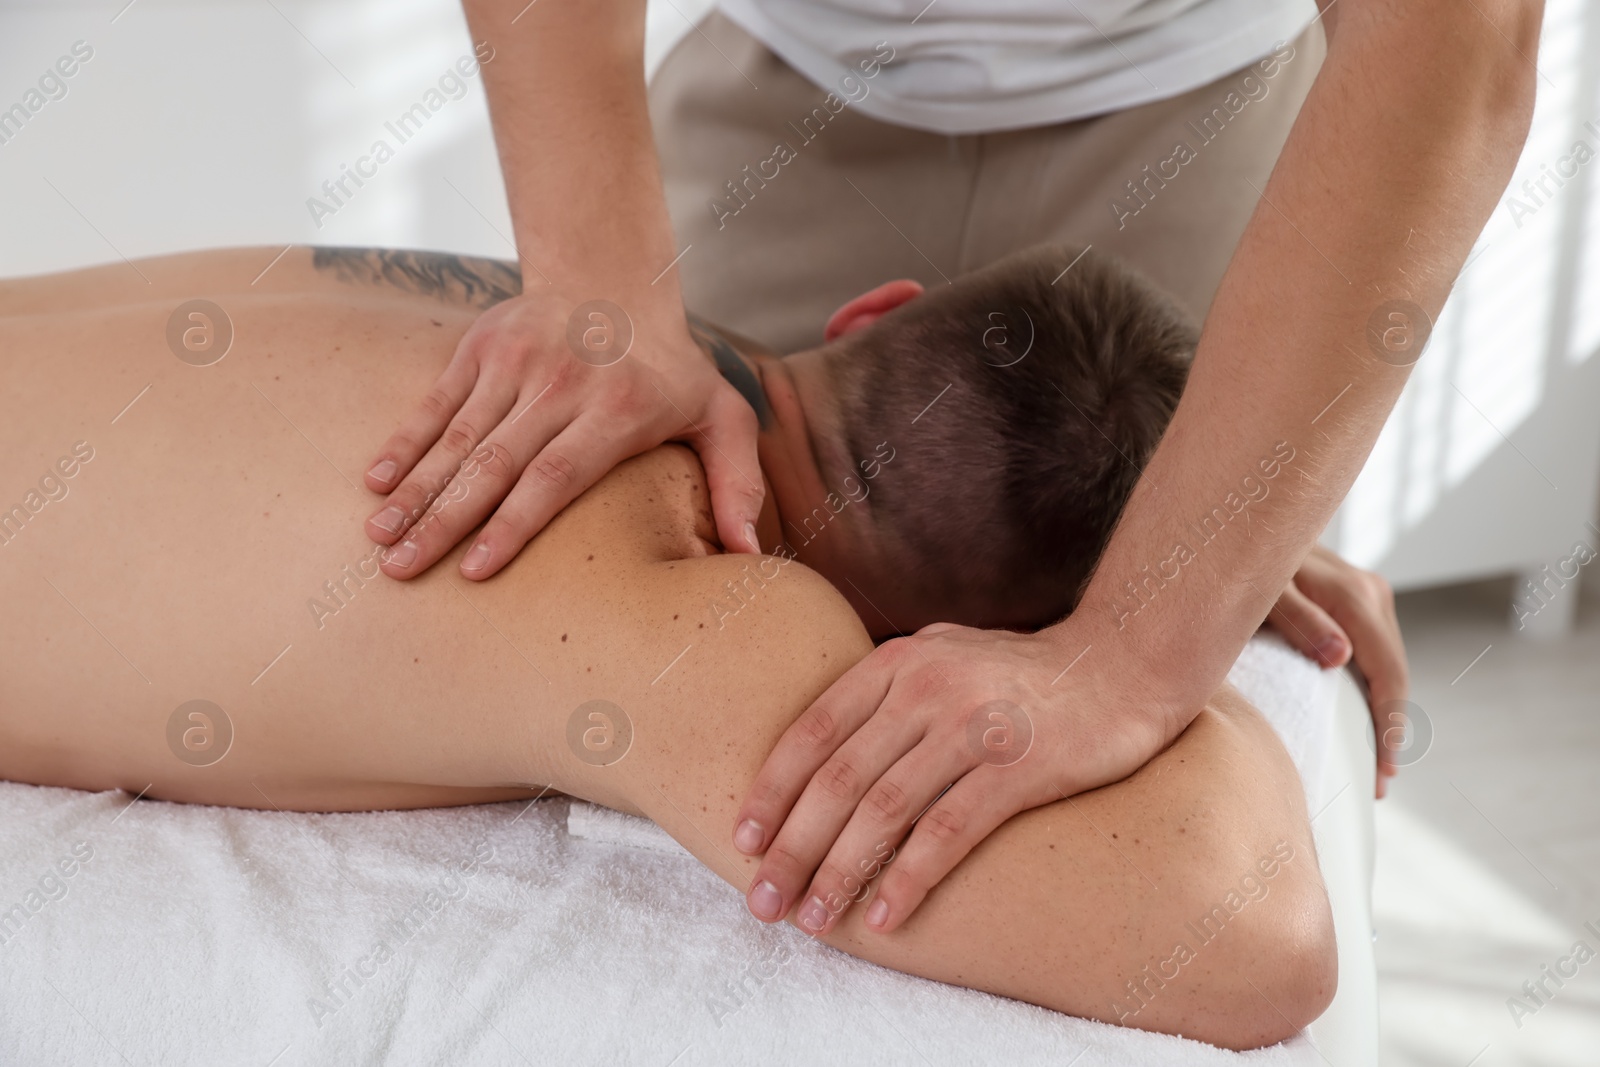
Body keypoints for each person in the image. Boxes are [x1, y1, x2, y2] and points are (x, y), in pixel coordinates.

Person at [355, 0, 1539, 936]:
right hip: (797, 78)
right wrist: (596, 283)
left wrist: (1147, 632)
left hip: (1189, 90)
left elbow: (1459, 28)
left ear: (878, 311)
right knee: (652, 550)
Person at [0, 243, 1371, 1047]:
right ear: (955, 646)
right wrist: (1170, 608)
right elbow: (1259, 946)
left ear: (874, 309)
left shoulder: (552, 311)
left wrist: (1197, 545)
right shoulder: (694, 605)